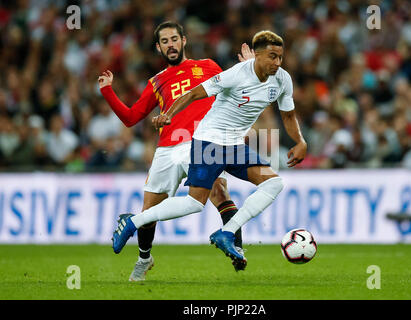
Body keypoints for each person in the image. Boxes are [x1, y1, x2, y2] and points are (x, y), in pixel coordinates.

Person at [111, 30, 307, 269]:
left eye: (280, 57)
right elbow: (194, 93)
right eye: (272, 57)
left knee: (273, 182)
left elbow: (288, 115)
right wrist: (168, 115)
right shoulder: (236, 74)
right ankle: (133, 222)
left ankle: (227, 233)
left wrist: (300, 141)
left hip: (234, 143)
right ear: (257, 56)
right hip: (209, 141)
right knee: (195, 203)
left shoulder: (283, 79)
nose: (277, 62)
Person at [98, 21, 254, 279]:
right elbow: (131, 117)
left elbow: (237, 86)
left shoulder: (208, 67)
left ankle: (236, 247)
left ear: (184, 41)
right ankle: (144, 259)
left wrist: (249, 67)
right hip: (168, 149)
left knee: (219, 191)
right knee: (149, 211)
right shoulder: (156, 81)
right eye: (165, 41)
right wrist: (107, 91)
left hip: (204, 141)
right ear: (158, 48)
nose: (171, 45)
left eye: (174, 39)